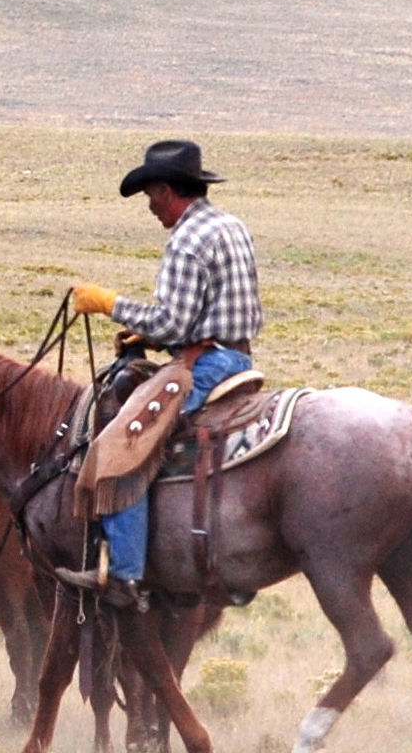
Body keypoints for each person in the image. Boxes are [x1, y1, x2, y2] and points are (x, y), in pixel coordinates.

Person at [56, 139, 263, 605]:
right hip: (238, 357)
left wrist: (109, 304)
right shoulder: (231, 225)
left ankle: (126, 574)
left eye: (151, 196)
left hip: (205, 365)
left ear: (169, 190)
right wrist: (148, 338)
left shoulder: (187, 241)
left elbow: (174, 320)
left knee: (122, 442)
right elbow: (206, 313)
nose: (151, 208)